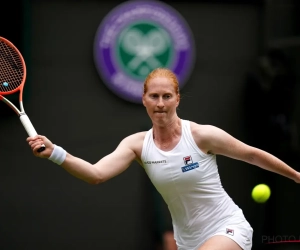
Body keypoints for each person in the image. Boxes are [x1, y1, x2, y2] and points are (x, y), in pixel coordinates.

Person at [27, 68, 300, 250]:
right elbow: (96, 174)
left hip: (227, 227)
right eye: (154, 96)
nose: (160, 103)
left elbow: (252, 155)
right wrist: (55, 153)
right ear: (144, 99)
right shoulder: (136, 145)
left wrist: (298, 177)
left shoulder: (202, 135)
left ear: (177, 99)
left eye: (167, 96)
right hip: (187, 241)